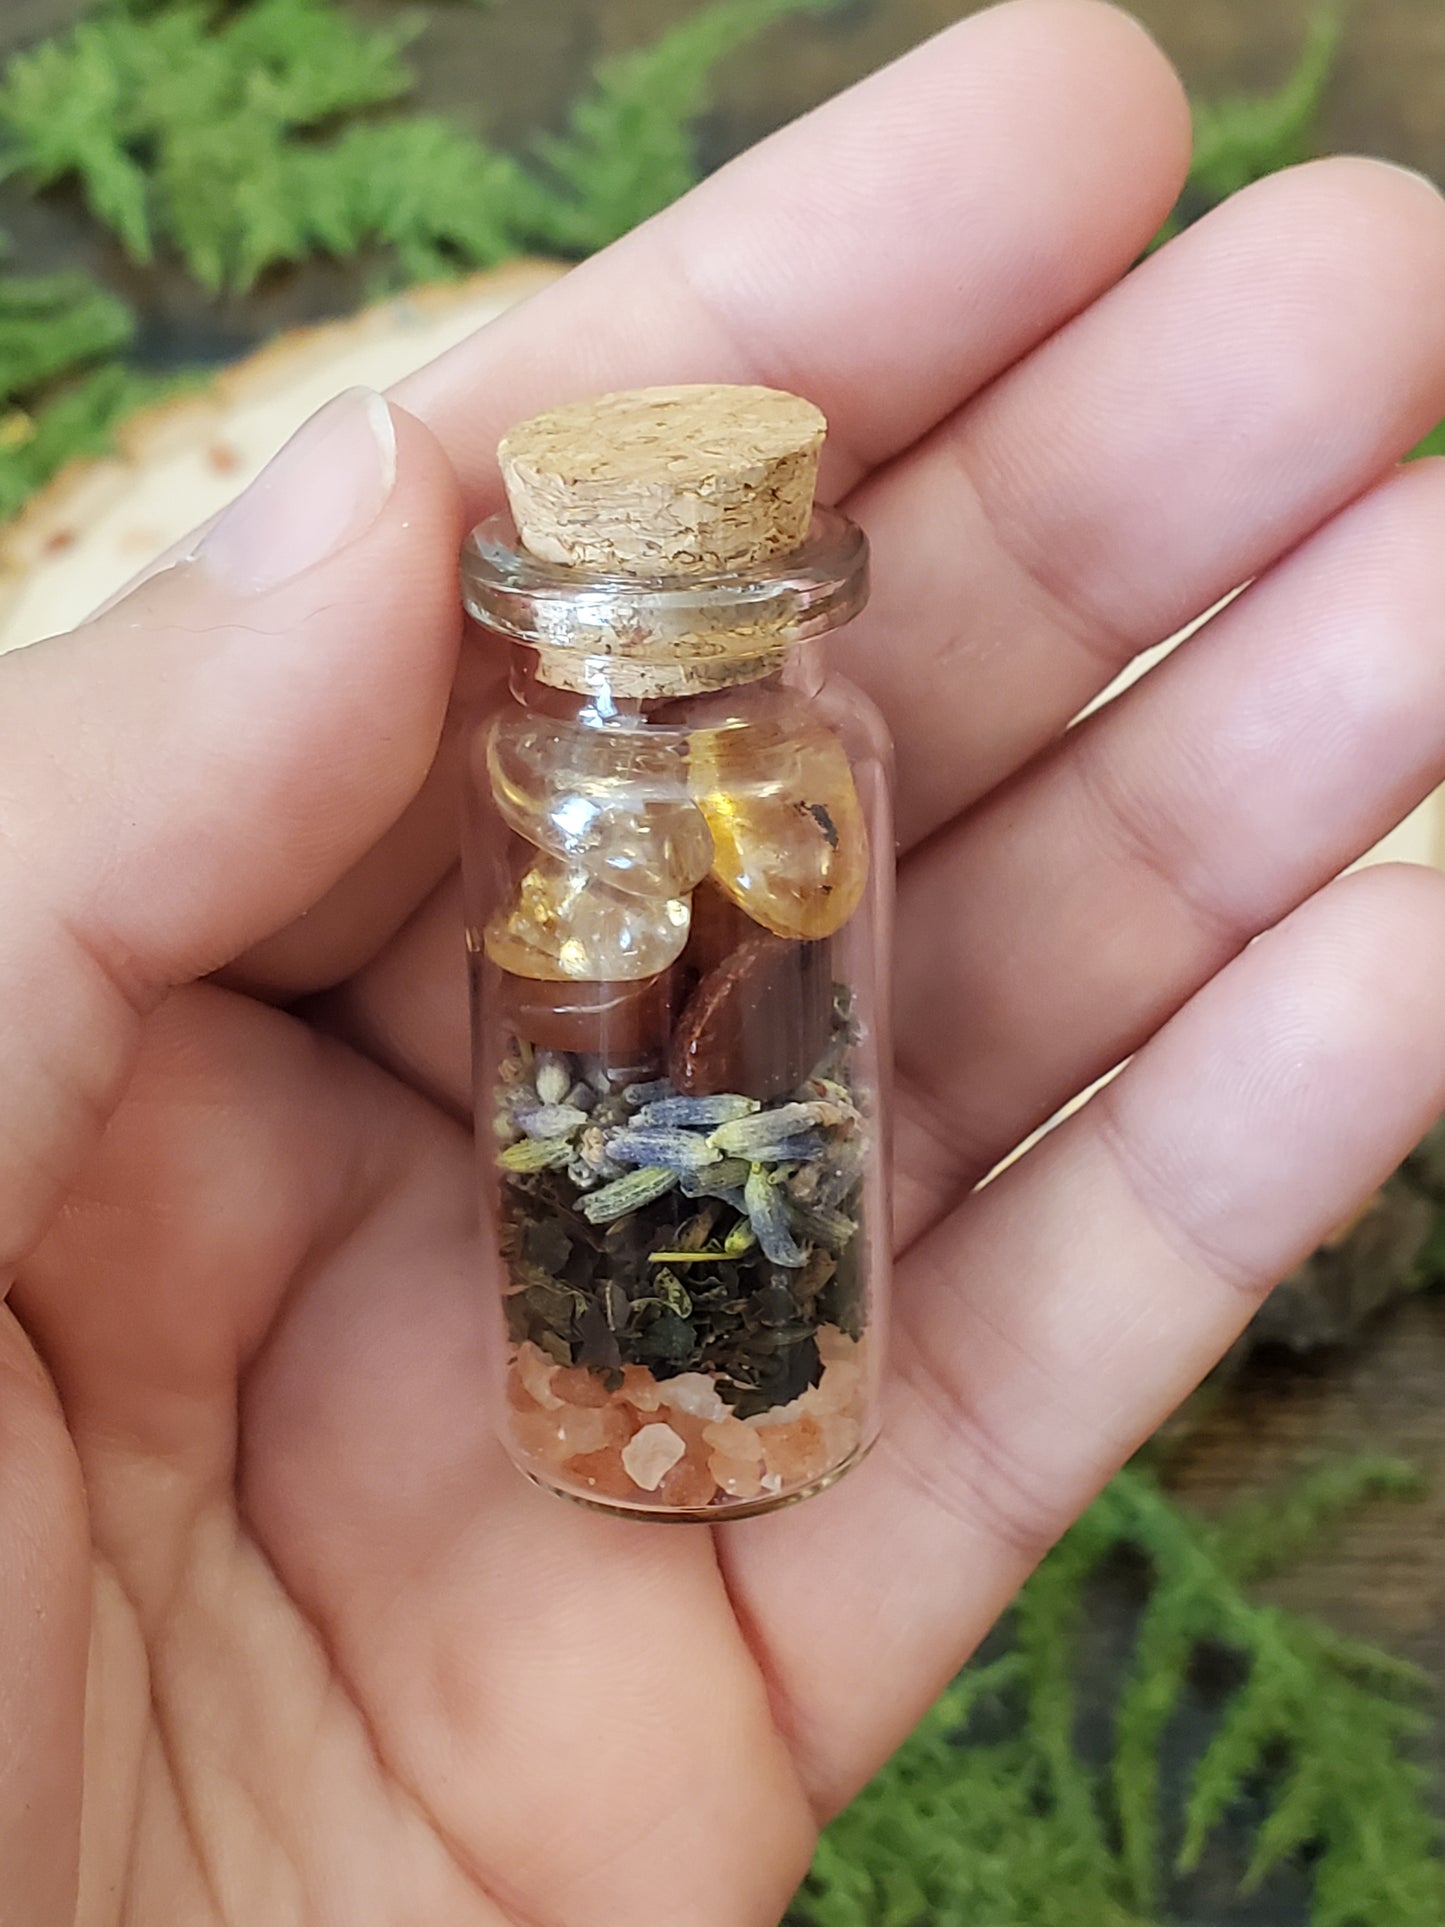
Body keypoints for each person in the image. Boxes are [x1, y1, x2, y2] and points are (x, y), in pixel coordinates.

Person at [6, 2, 1445, 1920]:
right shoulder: (532, 764)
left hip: (740, 1363)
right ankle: (620, 1397)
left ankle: (756, 1389)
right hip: (522, 1441)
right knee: (612, 1124)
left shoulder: (813, 749)